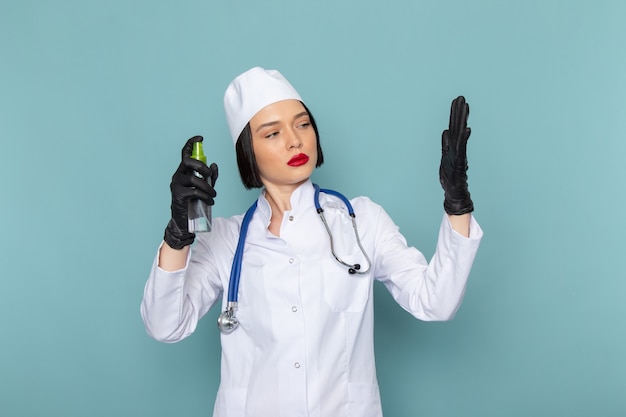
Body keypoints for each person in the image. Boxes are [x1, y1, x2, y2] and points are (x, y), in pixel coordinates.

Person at [141, 67, 483, 417]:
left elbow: (436, 302)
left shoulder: (362, 222)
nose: (294, 140)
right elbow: (165, 325)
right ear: (248, 152)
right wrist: (178, 236)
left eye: (302, 124)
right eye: (272, 133)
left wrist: (457, 202)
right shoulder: (227, 241)